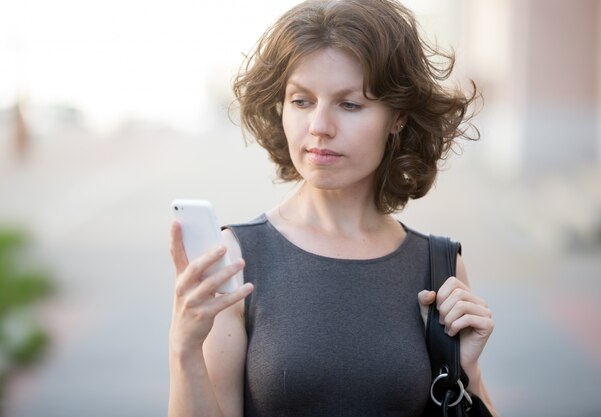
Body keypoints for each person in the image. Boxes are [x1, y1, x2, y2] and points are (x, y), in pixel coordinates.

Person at [168, 0, 497, 416]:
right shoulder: (236, 259)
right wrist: (184, 348)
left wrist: (465, 369)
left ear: (397, 117)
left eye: (350, 104)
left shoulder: (439, 266)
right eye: (301, 101)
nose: (319, 127)